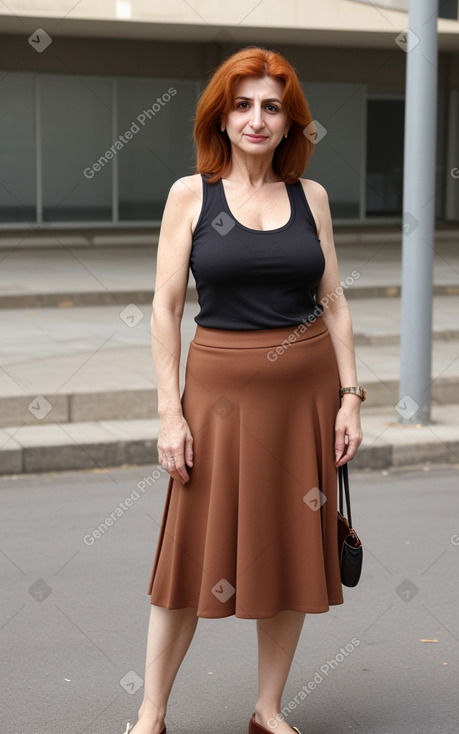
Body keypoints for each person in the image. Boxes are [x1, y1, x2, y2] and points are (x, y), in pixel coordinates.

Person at [127, 46, 364, 734]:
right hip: (216, 403)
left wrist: (350, 395)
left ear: (290, 122)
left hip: (305, 401)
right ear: (220, 117)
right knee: (186, 558)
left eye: (271, 106)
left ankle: (267, 710)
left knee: (291, 550)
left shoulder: (309, 197)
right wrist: (170, 415)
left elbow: (335, 302)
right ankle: (151, 714)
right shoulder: (190, 195)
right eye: (242, 104)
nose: (256, 119)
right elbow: (165, 307)